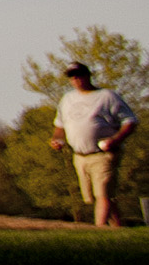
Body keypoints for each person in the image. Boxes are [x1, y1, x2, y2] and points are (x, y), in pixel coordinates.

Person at [50, 59, 139, 228]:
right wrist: (58, 139)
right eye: (72, 77)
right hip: (80, 155)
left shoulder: (107, 96)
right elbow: (60, 126)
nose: (76, 79)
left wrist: (115, 140)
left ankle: (98, 231)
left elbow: (130, 121)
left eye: (79, 75)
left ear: (88, 75)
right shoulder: (67, 99)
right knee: (96, 197)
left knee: (103, 194)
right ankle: (117, 230)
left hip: (103, 154)